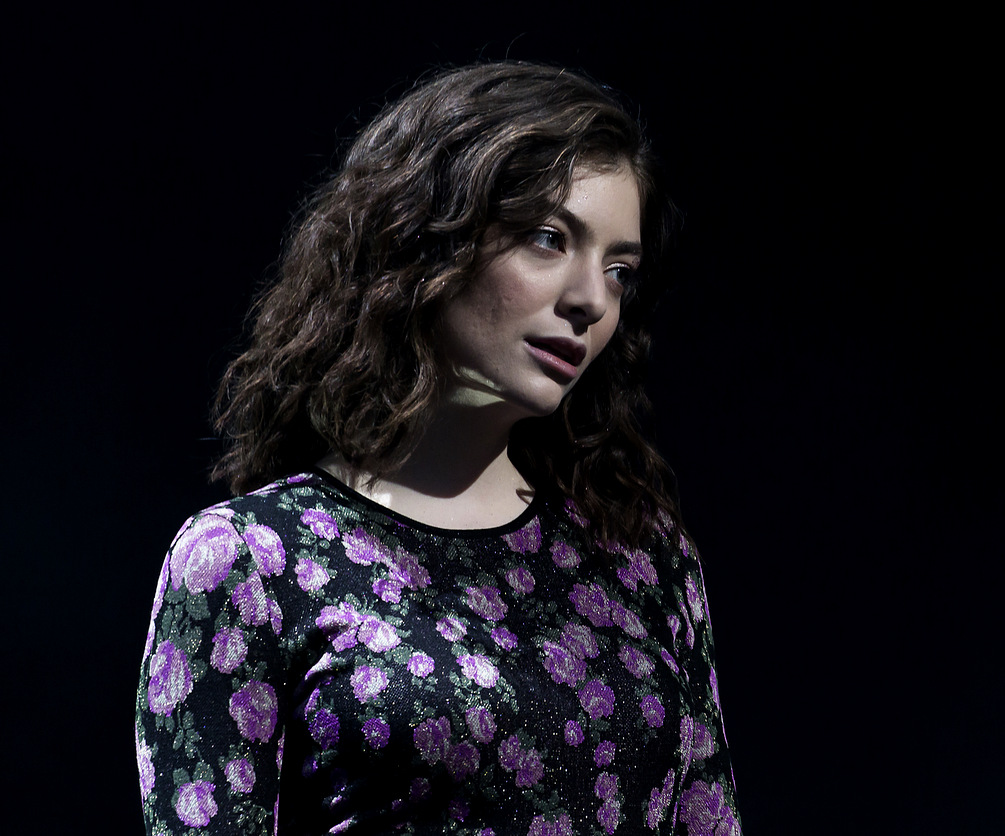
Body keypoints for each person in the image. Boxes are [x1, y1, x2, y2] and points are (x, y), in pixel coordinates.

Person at [134, 62, 742, 836]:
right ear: (423, 236)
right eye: (548, 238)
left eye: (619, 270)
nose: (592, 298)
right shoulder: (252, 561)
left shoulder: (642, 557)